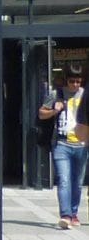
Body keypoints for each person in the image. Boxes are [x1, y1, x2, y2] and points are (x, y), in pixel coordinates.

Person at [40, 67, 86, 228]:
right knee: (64, 180)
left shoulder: (85, 95)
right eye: (72, 81)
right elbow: (41, 113)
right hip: (62, 144)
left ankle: (74, 214)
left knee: (78, 182)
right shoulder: (56, 94)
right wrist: (54, 110)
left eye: (78, 82)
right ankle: (65, 215)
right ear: (66, 80)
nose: (75, 85)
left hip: (81, 144)